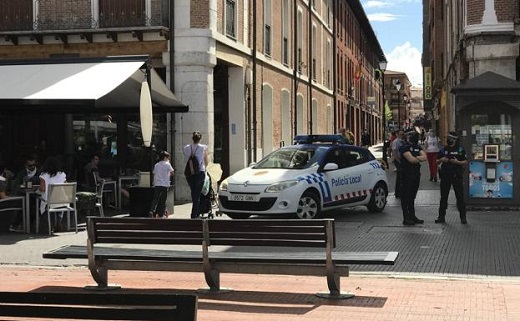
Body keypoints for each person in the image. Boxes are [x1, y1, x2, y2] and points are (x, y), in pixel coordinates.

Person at [436, 131, 468, 224]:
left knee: (460, 196)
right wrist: (442, 160)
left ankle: (463, 217)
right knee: (443, 196)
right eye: (448, 138)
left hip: (456, 175)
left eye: (451, 138)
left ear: (455, 139)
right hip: (445, 175)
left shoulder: (460, 149)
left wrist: (457, 162)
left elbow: (465, 161)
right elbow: (436, 161)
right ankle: (441, 216)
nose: (449, 140)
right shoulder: (443, 149)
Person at [399, 129, 427, 225]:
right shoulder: (404, 147)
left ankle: (412, 216)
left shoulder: (417, 147)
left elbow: (425, 157)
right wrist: (418, 158)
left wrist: (416, 158)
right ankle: (406, 218)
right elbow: (411, 160)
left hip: (415, 174)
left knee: (412, 196)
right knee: (406, 196)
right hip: (406, 175)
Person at [183, 131, 209, 219]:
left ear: (192, 138)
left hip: (189, 173)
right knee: (197, 194)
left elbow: (186, 159)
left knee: (193, 191)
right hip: (200, 172)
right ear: (200, 139)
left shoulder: (186, 148)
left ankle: (195, 212)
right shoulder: (203, 148)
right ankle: (194, 214)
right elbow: (206, 161)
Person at [38, 156, 67, 233]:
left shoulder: (44, 175)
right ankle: (58, 220)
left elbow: (42, 189)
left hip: (49, 201)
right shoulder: (62, 174)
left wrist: (37, 190)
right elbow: (65, 187)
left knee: (41, 199)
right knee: (59, 202)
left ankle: (49, 223)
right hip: (61, 201)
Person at [149, 151, 174, 218]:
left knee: (155, 199)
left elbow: (154, 173)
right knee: (163, 200)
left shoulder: (156, 165)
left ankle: (152, 210)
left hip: (157, 184)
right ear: (165, 157)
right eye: (168, 157)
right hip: (165, 184)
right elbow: (172, 173)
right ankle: (161, 214)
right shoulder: (167, 164)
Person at [391, 129, 405, 196]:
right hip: (398, 160)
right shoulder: (396, 142)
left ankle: (401, 190)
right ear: (398, 134)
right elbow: (394, 152)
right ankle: (397, 192)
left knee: (402, 176)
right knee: (399, 176)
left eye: (403, 134)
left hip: (403, 160)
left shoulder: (403, 141)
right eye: (401, 134)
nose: (402, 135)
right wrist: (398, 161)